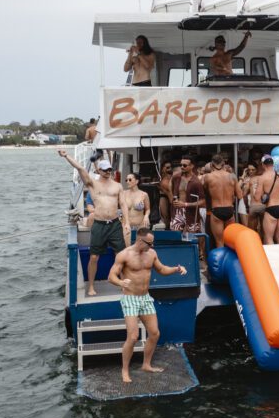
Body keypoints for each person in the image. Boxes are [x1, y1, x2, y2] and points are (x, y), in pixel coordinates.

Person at [108, 227, 187, 383]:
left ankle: (146, 365)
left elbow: (162, 269)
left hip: (145, 298)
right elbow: (111, 276)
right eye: (149, 244)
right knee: (133, 336)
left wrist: (176, 269)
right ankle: (125, 370)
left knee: (155, 333)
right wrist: (120, 282)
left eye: (152, 243)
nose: (152, 247)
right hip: (130, 298)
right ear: (139, 240)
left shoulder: (151, 253)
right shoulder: (124, 255)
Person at [58, 150, 129, 295]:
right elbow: (80, 168)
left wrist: (126, 222)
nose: (108, 171)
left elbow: (123, 204)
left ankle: (124, 283)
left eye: (109, 169)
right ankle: (91, 286)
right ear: (99, 170)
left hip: (115, 223)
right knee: (94, 257)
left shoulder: (118, 186)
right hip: (99, 224)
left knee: (120, 255)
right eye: (105, 169)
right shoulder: (92, 184)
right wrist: (66, 156)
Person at [203, 154, 242, 247]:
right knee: (230, 240)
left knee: (219, 242)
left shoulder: (208, 177)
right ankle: (231, 260)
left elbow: (205, 192)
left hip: (216, 209)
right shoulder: (232, 176)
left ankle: (220, 262)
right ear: (224, 164)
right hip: (229, 209)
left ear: (212, 165)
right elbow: (240, 195)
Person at [255, 155, 279, 244]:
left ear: (263, 165)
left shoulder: (262, 178)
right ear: (273, 164)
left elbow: (257, 198)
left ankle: (272, 258)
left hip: (271, 208)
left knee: (269, 238)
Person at [171, 155, 206, 234]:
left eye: (185, 165)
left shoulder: (196, 182)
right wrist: (173, 201)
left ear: (192, 166)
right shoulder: (176, 177)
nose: (182, 167)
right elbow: (172, 190)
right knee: (175, 236)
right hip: (177, 212)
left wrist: (185, 204)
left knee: (192, 237)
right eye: (181, 165)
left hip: (191, 212)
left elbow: (202, 201)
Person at [122, 172, 151, 245]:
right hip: (126, 224)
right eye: (126, 180)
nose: (127, 182)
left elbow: (148, 209)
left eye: (130, 180)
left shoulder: (144, 194)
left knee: (141, 246)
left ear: (137, 181)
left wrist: (146, 216)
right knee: (126, 246)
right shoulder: (123, 193)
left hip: (140, 224)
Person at [157, 160, 174, 229]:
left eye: (170, 167)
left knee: (172, 217)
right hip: (164, 198)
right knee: (166, 218)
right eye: (167, 167)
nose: (169, 169)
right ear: (163, 168)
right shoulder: (161, 177)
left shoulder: (172, 177)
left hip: (171, 198)